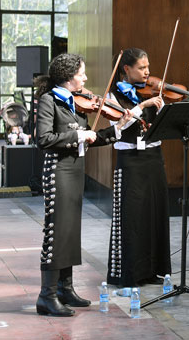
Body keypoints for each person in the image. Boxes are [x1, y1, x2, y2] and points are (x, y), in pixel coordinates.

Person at [34, 53, 129, 317]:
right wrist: (78, 134)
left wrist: (117, 128)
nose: (85, 78)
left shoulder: (75, 103)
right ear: (68, 76)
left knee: (71, 231)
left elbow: (91, 138)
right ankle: (47, 296)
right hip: (58, 171)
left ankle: (66, 288)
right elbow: (43, 139)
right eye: (82, 73)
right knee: (57, 232)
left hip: (75, 171)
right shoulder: (49, 100)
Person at [106, 48, 172, 287]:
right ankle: (130, 273)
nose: (148, 72)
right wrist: (143, 104)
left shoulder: (153, 92)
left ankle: (152, 269)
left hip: (154, 156)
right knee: (132, 217)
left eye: (148, 67)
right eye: (142, 68)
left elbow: (164, 124)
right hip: (131, 159)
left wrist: (163, 107)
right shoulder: (113, 94)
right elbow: (118, 125)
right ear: (126, 69)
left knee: (155, 213)